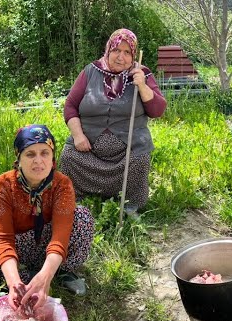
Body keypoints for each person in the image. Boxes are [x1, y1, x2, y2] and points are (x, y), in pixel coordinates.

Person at [0, 124, 94, 309]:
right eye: (30, 154)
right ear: (19, 158)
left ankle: (59, 272)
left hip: (49, 242)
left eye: (44, 153)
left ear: (52, 157)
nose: (38, 161)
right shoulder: (3, 186)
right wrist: (14, 283)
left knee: (82, 218)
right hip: (19, 245)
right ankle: (24, 281)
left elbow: (60, 237)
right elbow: (3, 239)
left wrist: (46, 275)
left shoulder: (62, 185)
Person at [59, 28, 167, 215]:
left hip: (127, 152)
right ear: (108, 50)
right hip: (89, 151)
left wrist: (142, 86)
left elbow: (157, 110)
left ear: (133, 55)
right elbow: (70, 106)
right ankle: (78, 199)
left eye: (127, 52)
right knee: (68, 156)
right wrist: (78, 136)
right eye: (116, 50)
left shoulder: (142, 74)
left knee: (141, 158)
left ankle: (130, 205)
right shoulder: (91, 71)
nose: (120, 57)